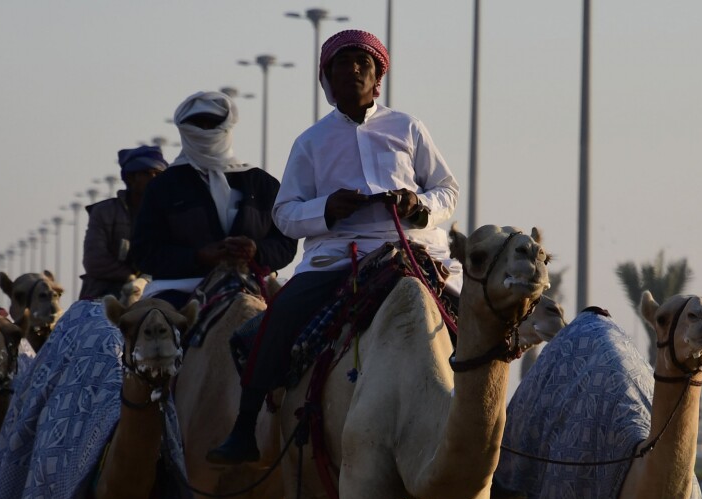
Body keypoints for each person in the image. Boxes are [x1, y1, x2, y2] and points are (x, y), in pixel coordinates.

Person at [207, 29, 460, 464]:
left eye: (363, 62)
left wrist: (417, 204)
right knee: (280, 317)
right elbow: (285, 213)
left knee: (482, 324)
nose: (353, 70)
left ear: (378, 74)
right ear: (326, 78)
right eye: (341, 63)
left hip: (411, 250)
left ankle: (495, 447)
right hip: (339, 256)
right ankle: (245, 428)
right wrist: (328, 208)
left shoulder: (408, 127)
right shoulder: (310, 142)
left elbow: (447, 190)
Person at [130, 91, 296, 310]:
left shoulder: (261, 184)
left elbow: (286, 242)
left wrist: (256, 251)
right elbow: (144, 251)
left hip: (254, 285)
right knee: (153, 331)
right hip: (180, 291)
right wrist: (197, 257)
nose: (206, 130)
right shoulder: (163, 187)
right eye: (198, 124)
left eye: (213, 123)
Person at [79, 144, 167, 300]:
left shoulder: (169, 212)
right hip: (103, 295)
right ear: (130, 178)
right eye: (147, 173)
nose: (154, 178)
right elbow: (94, 260)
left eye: (158, 173)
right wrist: (130, 277)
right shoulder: (104, 212)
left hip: (155, 292)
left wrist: (146, 280)